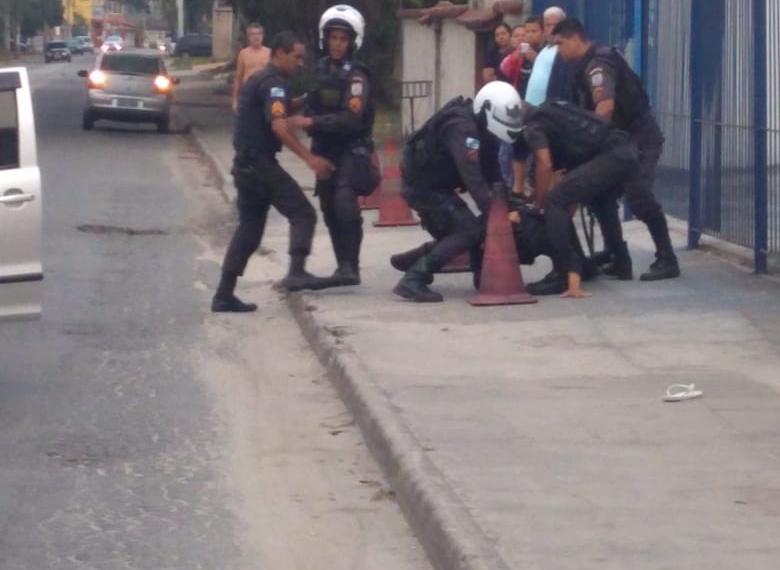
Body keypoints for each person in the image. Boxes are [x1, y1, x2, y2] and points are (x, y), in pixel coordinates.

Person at [212, 31, 338, 313]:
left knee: (249, 230)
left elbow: (275, 109)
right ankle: (297, 272)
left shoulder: (261, 80)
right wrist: (310, 159)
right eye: (297, 57)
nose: (300, 63)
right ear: (280, 54)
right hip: (260, 166)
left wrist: (307, 99)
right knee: (303, 213)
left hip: (244, 166)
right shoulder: (274, 84)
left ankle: (223, 294)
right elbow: (279, 125)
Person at [552, 17, 680, 281]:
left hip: (638, 138)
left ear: (576, 38)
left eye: (560, 43)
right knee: (600, 195)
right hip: (618, 142)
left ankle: (667, 258)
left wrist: (588, 143)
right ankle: (618, 257)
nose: (558, 51)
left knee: (638, 194)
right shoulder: (584, 66)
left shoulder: (598, 64)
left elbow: (605, 107)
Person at [389, 81, 519, 303]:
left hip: (438, 186)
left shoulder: (484, 129)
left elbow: (493, 172)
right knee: (469, 230)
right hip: (423, 187)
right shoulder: (461, 129)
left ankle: (415, 260)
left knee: (473, 226)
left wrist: (507, 203)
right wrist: (498, 214)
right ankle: (413, 279)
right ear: (486, 109)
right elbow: (473, 178)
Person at [512, 98, 639, 297]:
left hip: (611, 154)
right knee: (600, 200)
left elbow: (544, 164)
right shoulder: (551, 112)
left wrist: (538, 204)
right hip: (623, 148)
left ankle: (563, 274)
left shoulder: (533, 126)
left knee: (555, 200)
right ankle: (619, 262)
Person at [288, 5, 376, 286]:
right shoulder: (321, 69)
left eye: (343, 39)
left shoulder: (357, 76)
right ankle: (342, 267)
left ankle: (352, 266)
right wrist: (292, 107)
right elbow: (312, 99)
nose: (337, 44)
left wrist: (309, 122)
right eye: (333, 38)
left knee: (344, 202)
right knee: (328, 206)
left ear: (353, 41)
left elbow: (351, 118)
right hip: (324, 148)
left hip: (351, 148)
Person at [231, 22, 271, 113]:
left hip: (264, 92)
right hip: (248, 92)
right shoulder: (243, 54)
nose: (256, 36)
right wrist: (235, 100)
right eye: (253, 34)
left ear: (262, 36)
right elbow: (238, 77)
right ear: (248, 37)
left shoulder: (269, 53)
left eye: (258, 33)